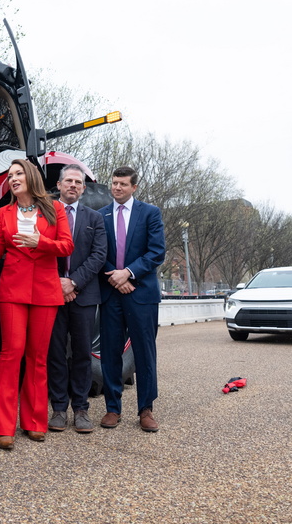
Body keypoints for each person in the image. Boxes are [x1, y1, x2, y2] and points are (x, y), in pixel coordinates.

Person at [0, 158, 73, 449]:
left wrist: (39, 243)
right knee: (10, 354)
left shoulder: (55, 209)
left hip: (44, 290)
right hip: (12, 291)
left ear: (30, 177)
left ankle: (34, 422)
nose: (13, 179)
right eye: (10, 175)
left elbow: (67, 246)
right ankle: (3, 426)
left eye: (18, 174)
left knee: (38, 358)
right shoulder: (4, 212)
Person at [97, 166, 166, 432]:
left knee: (144, 353)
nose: (117, 188)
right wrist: (115, 277)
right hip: (110, 292)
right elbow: (97, 251)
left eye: (123, 184)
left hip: (141, 294)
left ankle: (146, 409)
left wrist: (128, 274)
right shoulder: (100, 215)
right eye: (114, 183)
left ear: (134, 187)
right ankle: (113, 409)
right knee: (111, 352)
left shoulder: (150, 213)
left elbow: (156, 251)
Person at [47, 165, 107, 434]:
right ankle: (59, 408)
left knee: (83, 353)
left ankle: (81, 409)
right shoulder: (45, 214)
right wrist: (58, 283)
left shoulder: (94, 218)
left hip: (83, 294)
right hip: (51, 293)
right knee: (55, 352)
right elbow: (41, 251)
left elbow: (98, 255)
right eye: (68, 181)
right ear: (58, 185)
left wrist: (72, 282)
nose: (73, 185)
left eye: (78, 182)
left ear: (84, 188)